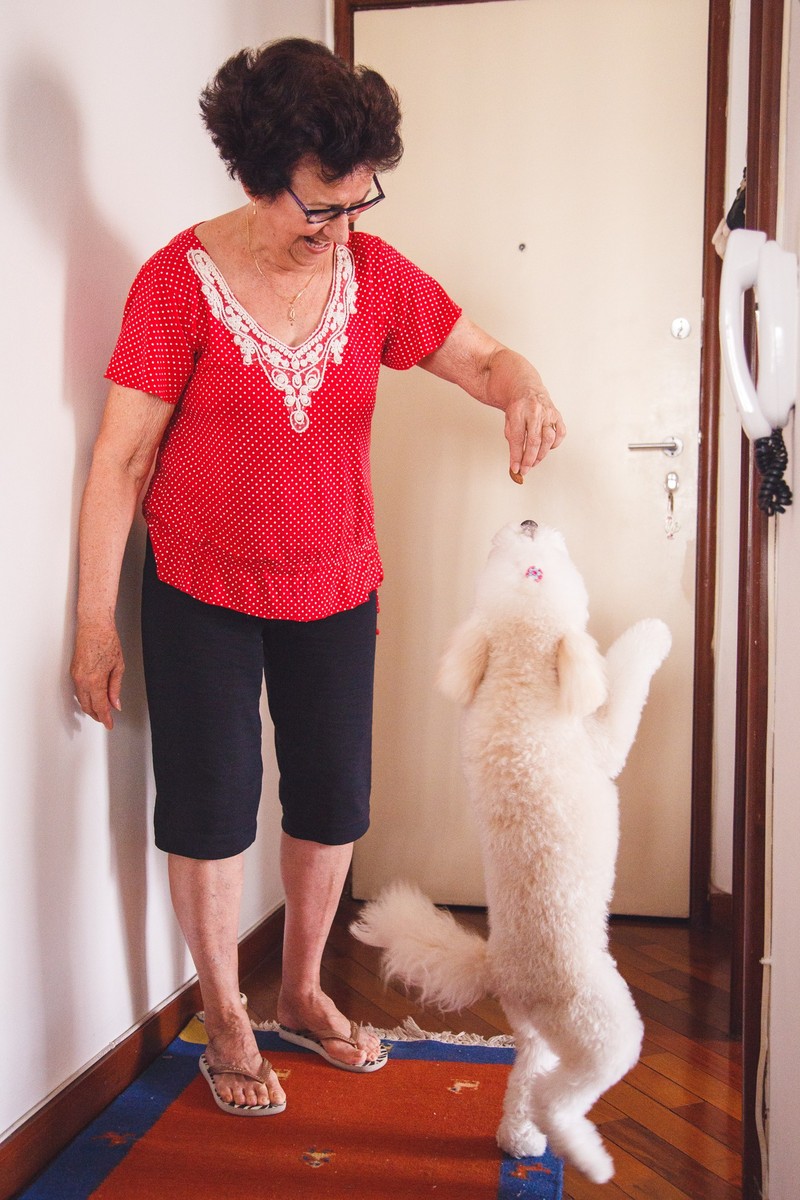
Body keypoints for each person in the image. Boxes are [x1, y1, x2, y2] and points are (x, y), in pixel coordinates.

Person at [71, 37, 565, 1117]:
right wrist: (93, 624)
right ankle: (226, 1012)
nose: (339, 229)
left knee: (334, 798)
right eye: (317, 207)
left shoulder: (375, 278)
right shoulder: (174, 284)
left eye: (356, 203)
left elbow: (479, 357)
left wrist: (521, 380)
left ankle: (298, 990)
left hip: (335, 581)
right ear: (256, 174)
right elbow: (119, 458)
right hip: (198, 581)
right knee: (208, 806)